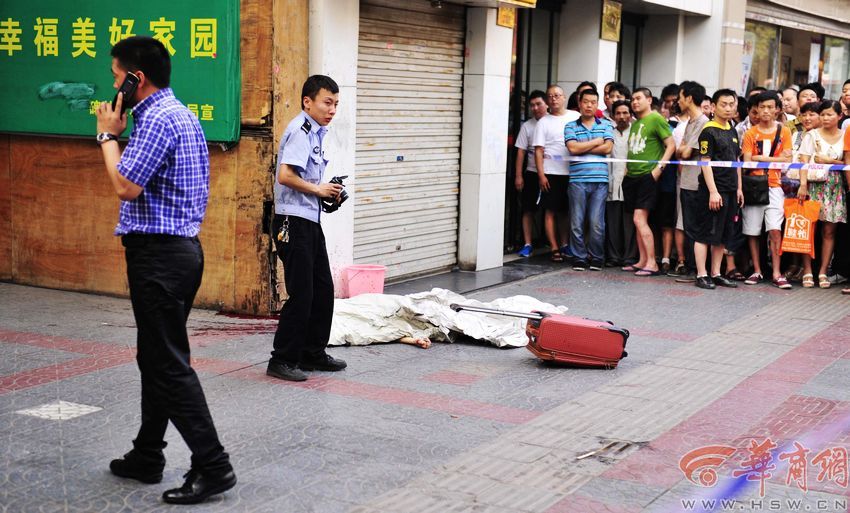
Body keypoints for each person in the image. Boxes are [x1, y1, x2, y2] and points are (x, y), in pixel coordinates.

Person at [94, 36, 236, 505]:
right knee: (155, 358)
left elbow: (125, 186)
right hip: (175, 254)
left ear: (137, 78)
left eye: (117, 77)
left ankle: (213, 466)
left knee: (168, 364)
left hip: (161, 257)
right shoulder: (179, 114)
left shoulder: (155, 119)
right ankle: (147, 454)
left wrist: (108, 136)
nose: (113, 86)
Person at [268, 75, 348, 382]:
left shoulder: (317, 133)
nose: (332, 110)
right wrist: (318, 190)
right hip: (292, 221)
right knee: (302, 293)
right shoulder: (300, 131)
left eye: (336, 104)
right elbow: (285, 176)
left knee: (323, 290)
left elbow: (307, 181)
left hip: (309, 221)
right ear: (307, 102)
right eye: (327, 103)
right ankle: (282, 359)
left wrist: (329, 194)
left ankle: (312, 353)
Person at [740, 90, 793, 289]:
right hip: (753, 186)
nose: (766, 111)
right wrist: (770, 160)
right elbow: (746, 161)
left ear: (778, 110)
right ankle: (757, 270)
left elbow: (788, 159)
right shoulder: (750, 133)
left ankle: (777, 272)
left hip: (775, 186)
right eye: (762, 107)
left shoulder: (784, 131)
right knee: (752, 231)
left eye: (770, 107)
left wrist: (761, 158)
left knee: (774, 230)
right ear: (755, 109)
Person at [693, 89, 744, 290]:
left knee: (723, 234)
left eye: (732, 104)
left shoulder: (732, 129)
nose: (729, 108)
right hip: (713, 190)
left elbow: (737, 161)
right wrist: (713, 191)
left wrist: (739, 188)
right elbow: (705, 163)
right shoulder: (708, 131)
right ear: (713, 107)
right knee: (705, 233)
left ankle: (716, 273)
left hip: (731, 189)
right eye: (724, 104)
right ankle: (701, 274)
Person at [622, 88, 676, 276]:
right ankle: (642, 260)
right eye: (632, 99)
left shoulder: (656, 119)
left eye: (638, 98)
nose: (634, 102)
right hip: (632, 177)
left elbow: (671, 145)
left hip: (647, 176)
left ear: (649, 99)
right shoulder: (636, 123)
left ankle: (652, 262)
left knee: (639, 218)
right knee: (638, 221)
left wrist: (657, 170)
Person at [797, 100, 847, 289]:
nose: (825, 118)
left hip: (835, 187)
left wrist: (826, 160)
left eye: (829, 114)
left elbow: (846, 162)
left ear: (839, 116)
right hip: (812, 186)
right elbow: (803, 161)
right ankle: (808, 270)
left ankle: (823, 271)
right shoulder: (812, 135)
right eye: (823, 114)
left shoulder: (845, 135)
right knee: (808, 229)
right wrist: (803, 185)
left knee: (829, 231)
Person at [564, 88, 613, 271]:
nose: (589, 105)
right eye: (586, 102)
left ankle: (597, 256)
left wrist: (583, 146)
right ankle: (579, 257)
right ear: (580, 103)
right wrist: (595, 143)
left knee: (596, 222)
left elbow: (608, 148)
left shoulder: (606, 125)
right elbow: (572, 149)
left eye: (593, 102)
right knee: (576, 222)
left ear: (597, 103)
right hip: (577, 180)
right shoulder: (570, 126)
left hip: (600, 180)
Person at [533, 85, 580, 262]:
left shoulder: (575, 117)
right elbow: (538, 151)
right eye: (550, 96)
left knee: (566, 211)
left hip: (573, 171)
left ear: (564, 97)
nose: (554, 99)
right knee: (550, 211)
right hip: (551, 172)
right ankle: (554, 248)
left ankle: (565, 243)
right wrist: (541, 174)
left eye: (557, 95)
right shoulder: (543, 122)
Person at [671, 81, 710, 282]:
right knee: (688, 227)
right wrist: (683, 149)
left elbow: (685, 151)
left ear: (689, 98)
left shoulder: (703, 123)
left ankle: (697, 270)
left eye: (680, 97)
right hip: (685, 181)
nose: (678, 101)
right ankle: (692, 268)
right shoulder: (689, 123)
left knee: (695, 228)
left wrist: (683, 149)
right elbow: (681, 150)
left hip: (696, 183)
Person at [514, 90, 549, 257]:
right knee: (528, 209)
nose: (535, 108)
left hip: (552, 173)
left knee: (555, 210)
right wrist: (518, 175)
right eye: (532, 105)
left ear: (547, 104)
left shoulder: (553, 122)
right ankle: (528, 243)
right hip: (532, 173)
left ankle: (557, 243)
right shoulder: (527, 126)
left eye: (538, 104)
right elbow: (520, 152)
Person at [606, 100, 638, 268]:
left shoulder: (636, 132)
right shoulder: (608, 133)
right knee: (613, 222)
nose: (622, 117)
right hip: (612, 183)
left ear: (631, 115)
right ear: (613, 116)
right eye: (618, 113)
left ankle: (630, 257)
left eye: (625, 113)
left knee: (629, 223)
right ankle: (613, 257)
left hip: (631, 183)